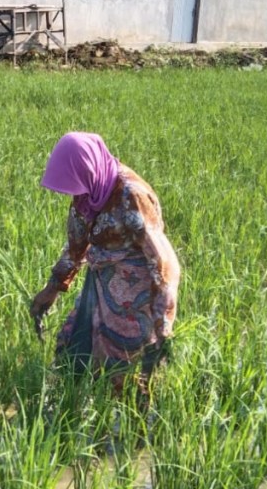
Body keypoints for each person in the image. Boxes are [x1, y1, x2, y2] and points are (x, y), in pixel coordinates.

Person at [29, 133, 181, 410]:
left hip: (135, 286)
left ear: (88, 169)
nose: (75, 195)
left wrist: (163, 326)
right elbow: (76, 248)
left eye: (76, 185)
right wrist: (50, 291)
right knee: (72, 348)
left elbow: (164, 263)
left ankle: (131, 432)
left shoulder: (131, 196)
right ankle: (73, 413)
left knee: (121, 365)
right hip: (100, 279)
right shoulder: (86, 196)